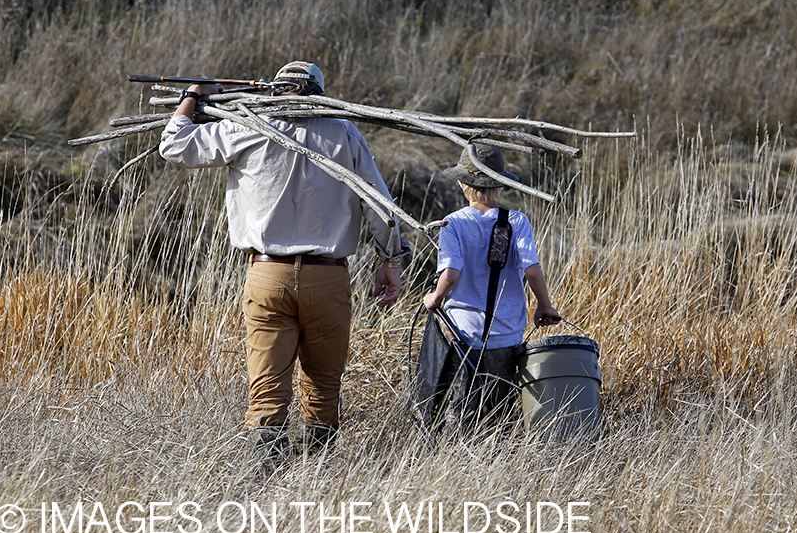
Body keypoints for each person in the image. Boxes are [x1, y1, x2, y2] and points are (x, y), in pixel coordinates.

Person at [159, 61, 410, 464]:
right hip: (328, 280)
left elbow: (173, 146)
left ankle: (267, 476)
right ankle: (316, 475)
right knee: (324, 386)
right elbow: (381, 208)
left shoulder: (249, 124)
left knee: (267, 389)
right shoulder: (345, 133)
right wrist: (390, 262)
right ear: (321, 96)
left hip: (267, 276)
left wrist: (192, 96)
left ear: (274, 91)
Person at [422, 144, 560, 433]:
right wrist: (545, 307)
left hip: (463, 338)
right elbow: (532, 271)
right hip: (507, 336)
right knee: (501, 416)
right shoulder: (517, 221)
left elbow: (451, 274)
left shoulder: (453, 223)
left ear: (463, 183)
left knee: (460, 414)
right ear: (500, 184)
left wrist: (434, 298)